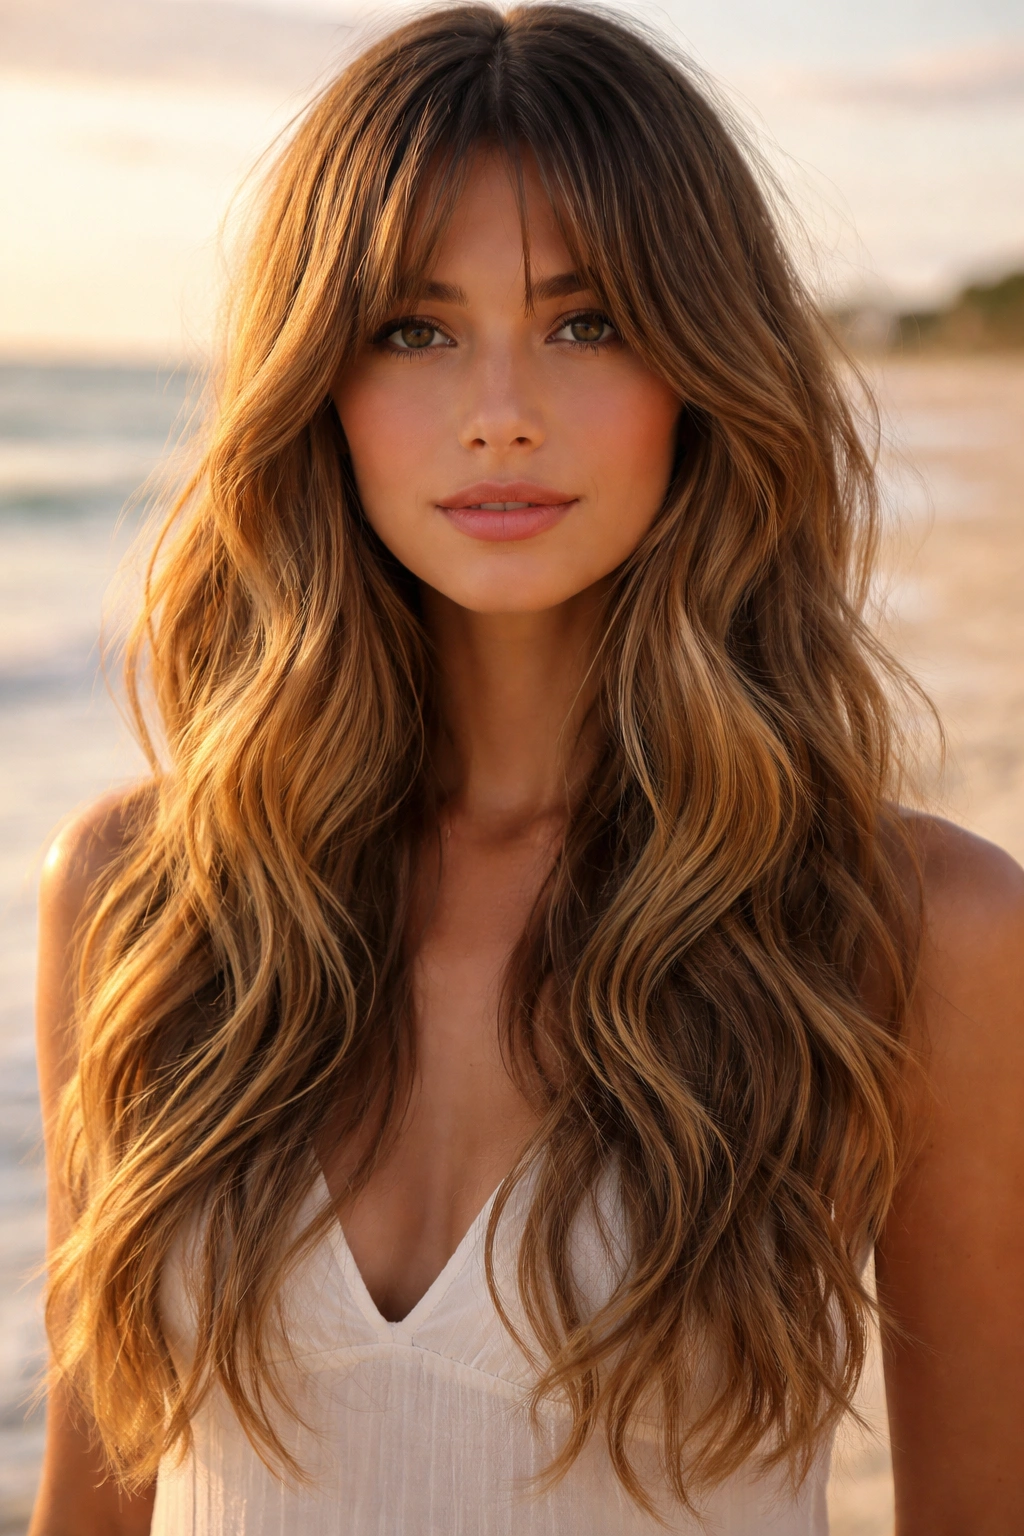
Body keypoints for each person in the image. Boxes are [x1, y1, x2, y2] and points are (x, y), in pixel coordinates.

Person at [28, 6, 1024, 1534]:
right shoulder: (145, 902)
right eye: (414, 332)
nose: (501, 414)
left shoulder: (913, 932)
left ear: (705, 370)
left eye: (588, 323)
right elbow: (91, 1509)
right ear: (318, 385)